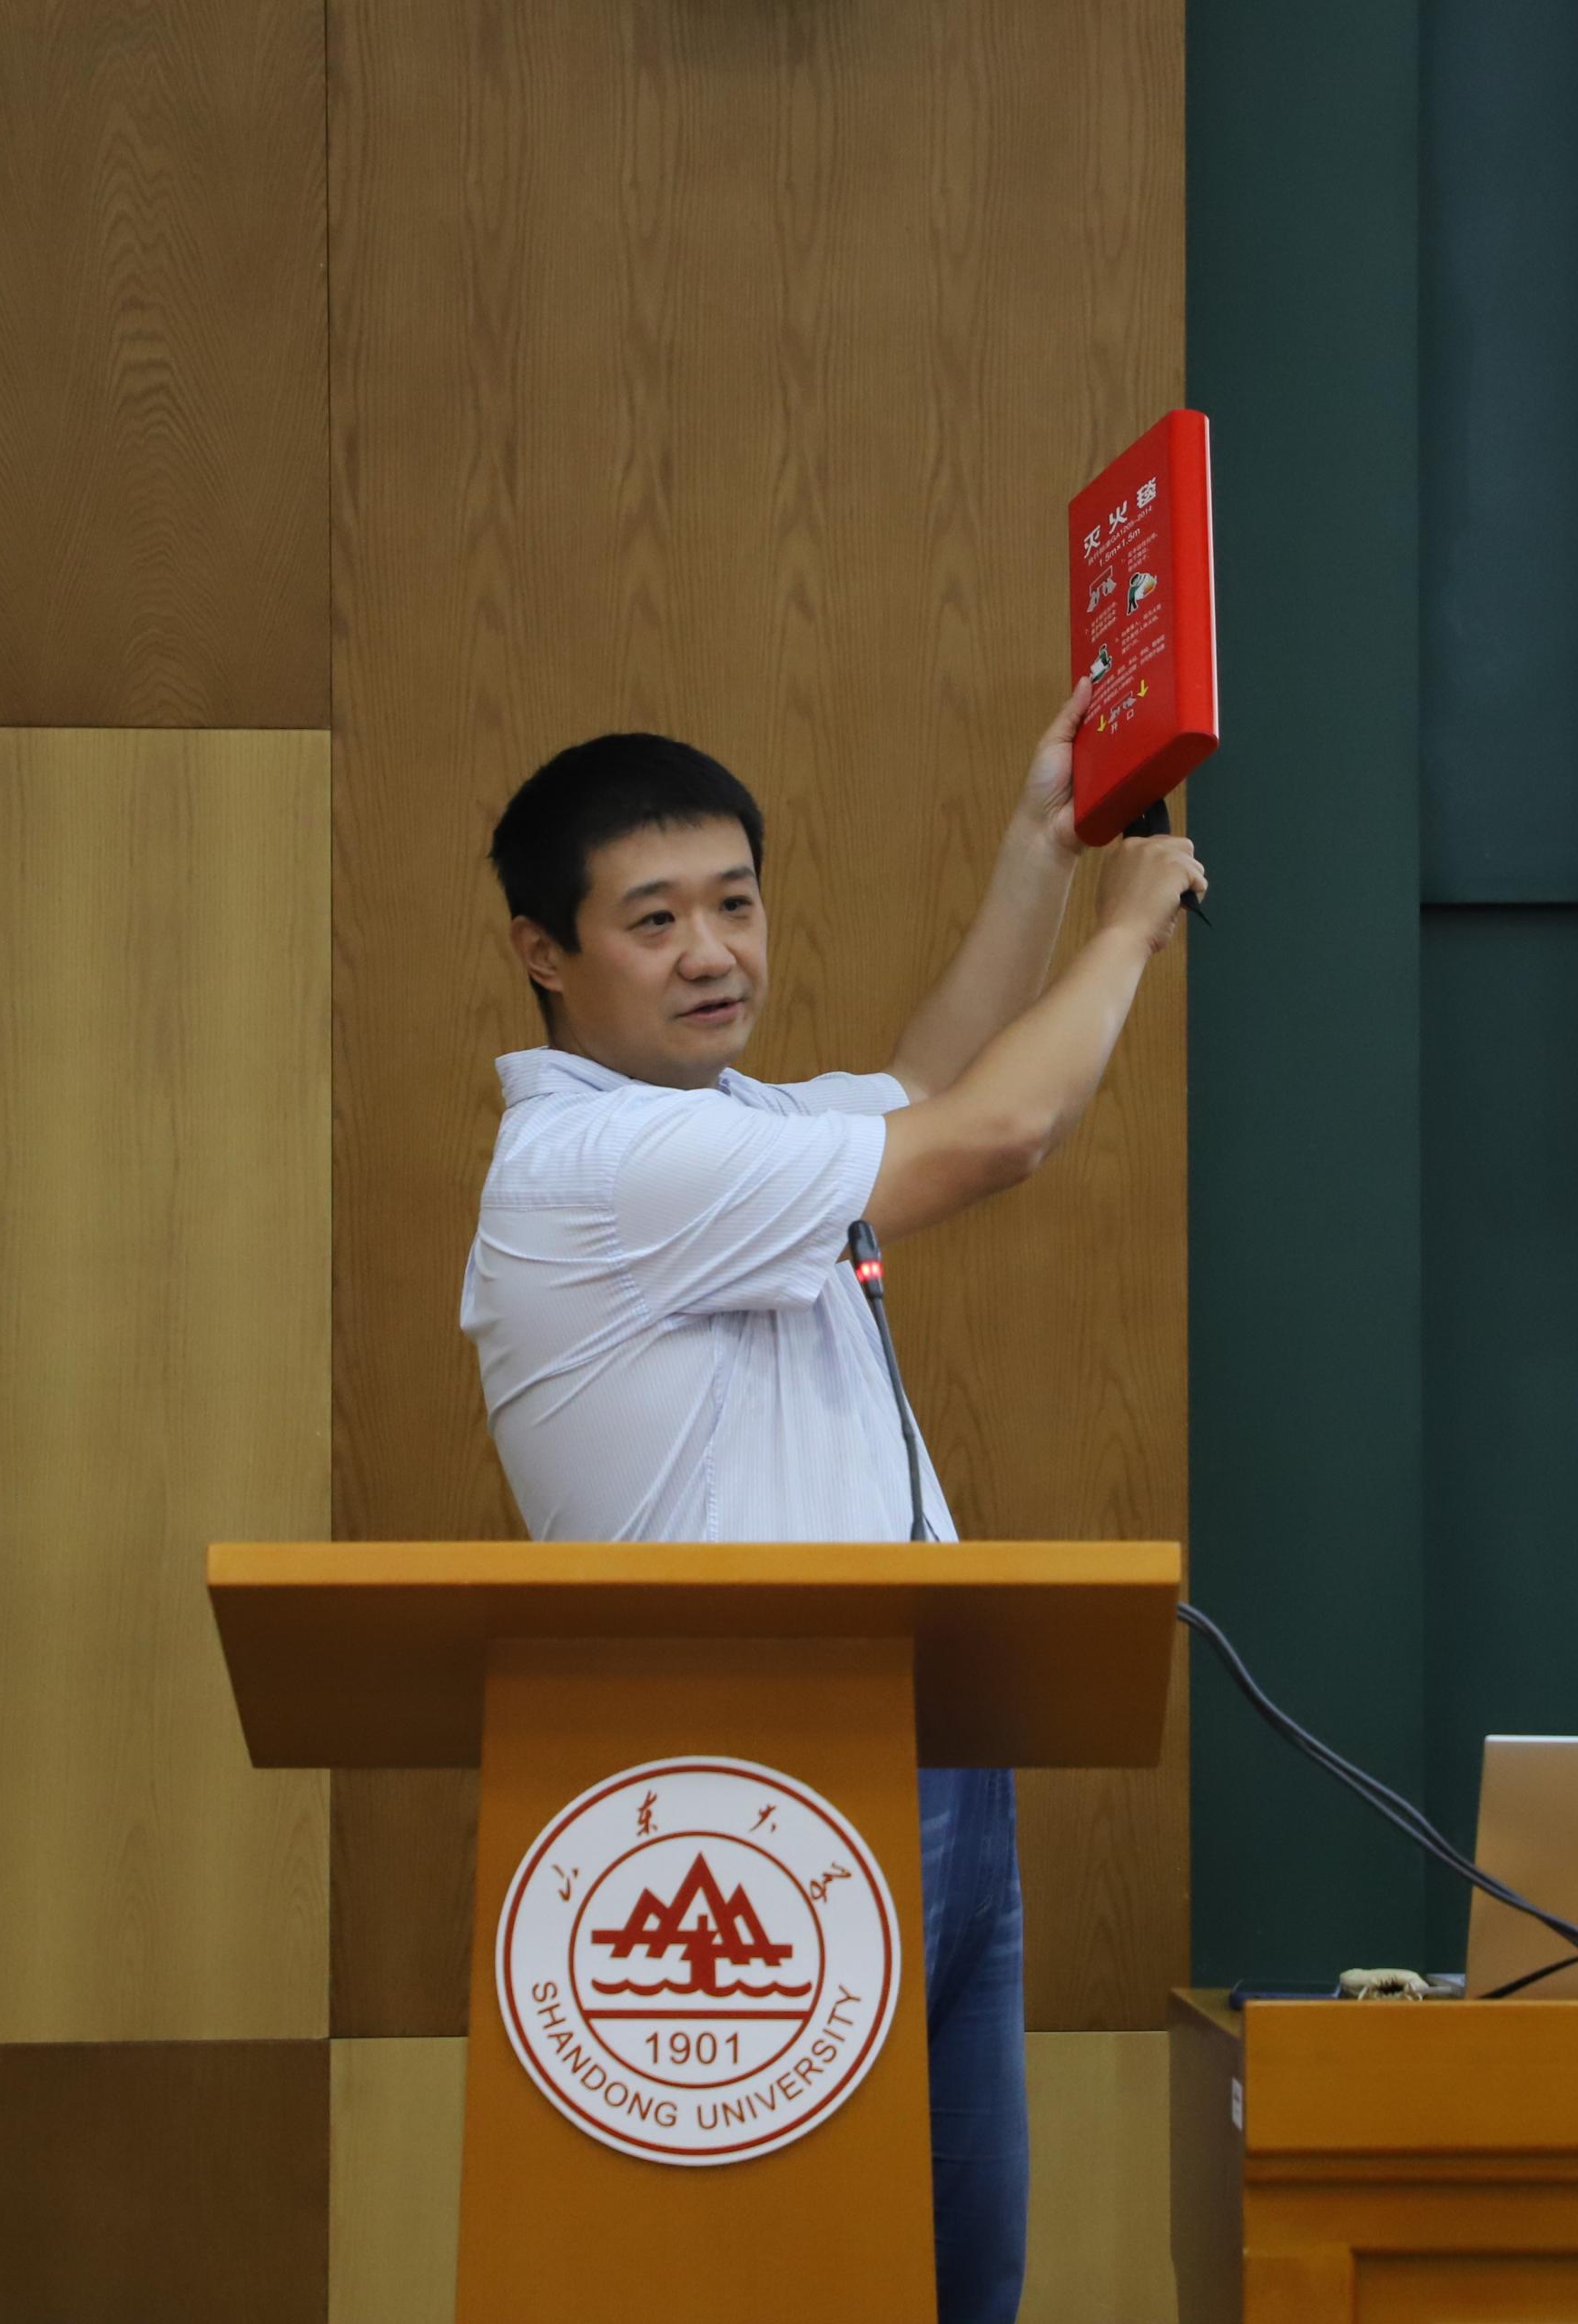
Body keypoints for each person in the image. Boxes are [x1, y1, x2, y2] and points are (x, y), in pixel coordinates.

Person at [460, 677, 1202, 2324]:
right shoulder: (599, 1167)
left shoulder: (725, 1130)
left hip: (919, 1741)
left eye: (735, 904)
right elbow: (997, 1133)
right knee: (800, 2274)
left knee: (954, 2277)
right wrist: (1130, 924)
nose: (712, 951)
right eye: (654, 919)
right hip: (754, 1782)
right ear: (543, 951)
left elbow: (928, 1085)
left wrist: (1041, 845)